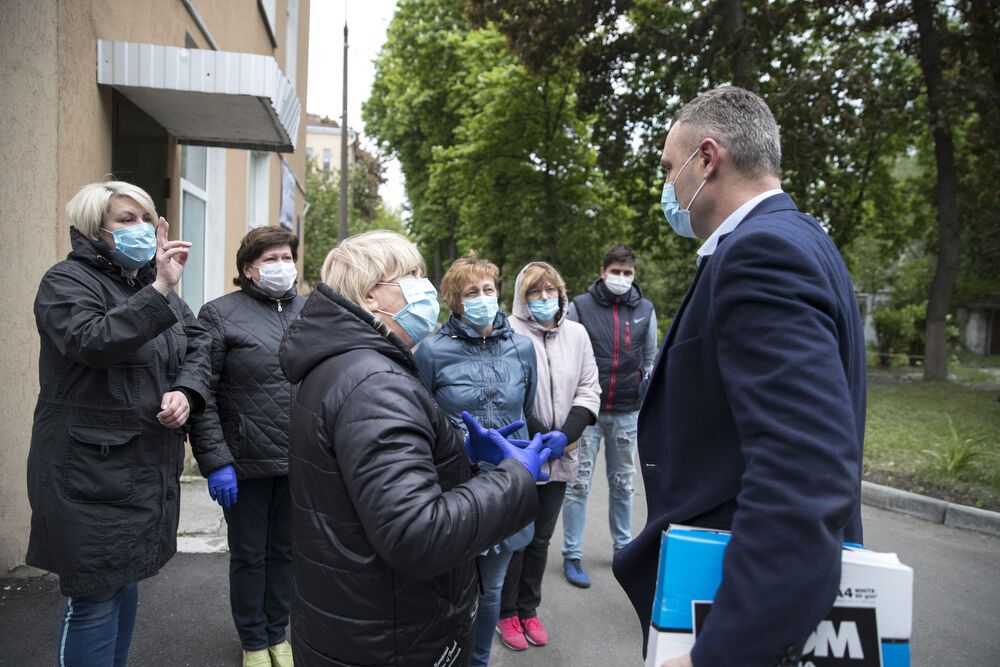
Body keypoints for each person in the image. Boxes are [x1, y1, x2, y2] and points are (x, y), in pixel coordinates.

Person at [613, 85, 867, 667]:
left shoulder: (762, 253)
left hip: (729, 609)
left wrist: (723, 652)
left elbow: (803, 474)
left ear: (708, 158)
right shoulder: (798, 238)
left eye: (669, 168)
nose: (666, 187)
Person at [278, 230, 553, 667]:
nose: (424, 287)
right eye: (410, 275)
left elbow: (362, 482)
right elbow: (417, 533)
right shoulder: (376, 384)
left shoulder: (342, 363)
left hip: (352, 617)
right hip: (391, 634)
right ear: (370, 296)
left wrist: (463, 453)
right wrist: (515, 476)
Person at [26, 181, 225, 667]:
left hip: (139, 469)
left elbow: (198, 343)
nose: (139, 229)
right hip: (88, 472)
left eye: (145, 219)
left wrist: (186, 392)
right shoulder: (66, 282)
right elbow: (93, 341)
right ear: (96, 228)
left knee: (123, 581)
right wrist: (160, 287)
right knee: (94, 597)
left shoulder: (146, 288)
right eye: (125, 220)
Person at [412, 250, 538, 666]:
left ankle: (479, 661)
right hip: (455, 483)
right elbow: (421, 415)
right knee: (452, 589)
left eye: (488, 289)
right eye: (471, 291)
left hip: (507, 479)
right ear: (455, 300)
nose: (483, 297)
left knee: (494, 590)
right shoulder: (430, 351)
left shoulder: (523, 348)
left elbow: (527, 409)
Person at [188, 226, 305, 667]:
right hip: (245, 465)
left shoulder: (313, 311)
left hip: (300, 463)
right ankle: (254, 641)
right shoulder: (219, 314)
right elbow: (204, 391)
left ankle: (279, 634)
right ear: (248, 269)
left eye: (287, 257)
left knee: (288, 555)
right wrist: (216, 461)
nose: (282, 266)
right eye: (271, 258)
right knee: (250, 556)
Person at [498, 261, 601, 651]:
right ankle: (505, 613)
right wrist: (541, 435)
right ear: (522, 299)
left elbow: (589, 387)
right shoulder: (509, 332)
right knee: (515, 537)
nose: (544, 299)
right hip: (523, 454)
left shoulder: (576, 333)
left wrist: (567, 433)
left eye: (550, 291)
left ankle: (528, 610)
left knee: (540, 539)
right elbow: (507, 391)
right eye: (535, 293)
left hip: (563, 453)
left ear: (561, 293)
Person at [561, 244, 658, 587]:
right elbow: (568, 355)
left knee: (623, 484)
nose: (622, 278)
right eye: (616, 271)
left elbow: (650, 360)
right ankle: (572, 553)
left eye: (627, 272)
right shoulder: (581, 307)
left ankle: (623, 550)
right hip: (587, 412)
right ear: (603, 272)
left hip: (627, 412)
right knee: (578, 484)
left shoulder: (645, 309)